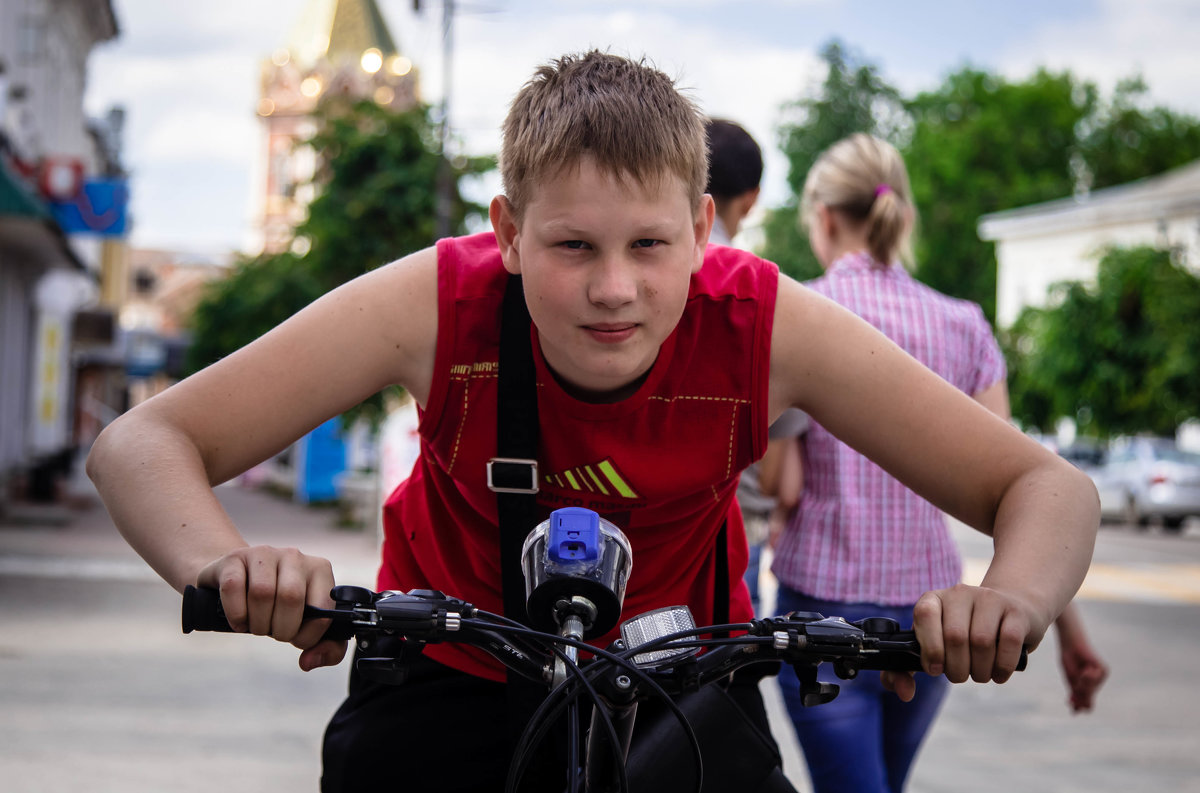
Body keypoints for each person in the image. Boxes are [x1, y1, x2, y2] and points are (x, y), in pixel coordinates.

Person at [86, 53, 1100, 792]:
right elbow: (143, 442)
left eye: (651, 244)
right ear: (508, 232)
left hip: (680, 689)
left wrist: (1007, 596)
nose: (614, 289)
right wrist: (232, 568)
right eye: (572, 244)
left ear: (703, 230)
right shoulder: (434, 304)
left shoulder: (763, 321)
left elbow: (1047, 487)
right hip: (448, 677)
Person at [763, 132, 1108, 793]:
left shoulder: (800, 317)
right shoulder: (964, 324)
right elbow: (1015, 487)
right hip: (930, 620)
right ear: (902, 214)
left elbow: (782, 481)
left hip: (821, 613)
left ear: (825, 217)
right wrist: (1066, 627)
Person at [705, 117, 806, 611]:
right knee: (718, 680)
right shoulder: (764, 300)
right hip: (732, 529)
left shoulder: (633, 277)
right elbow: (777, 478)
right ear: (751, 198)